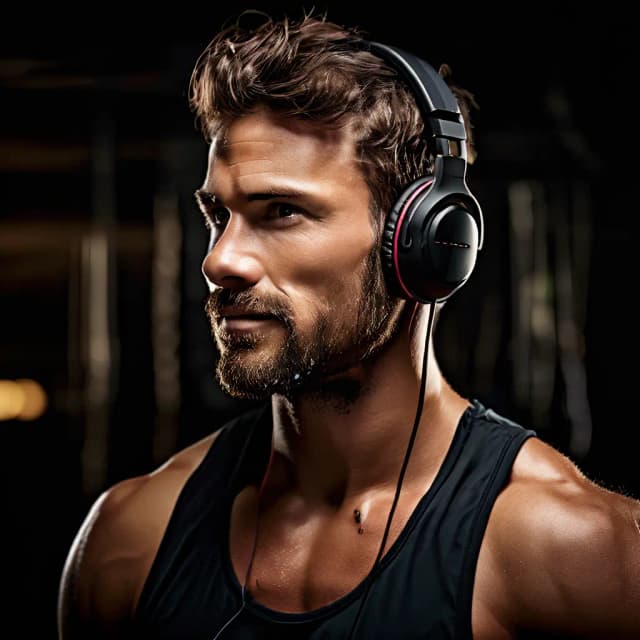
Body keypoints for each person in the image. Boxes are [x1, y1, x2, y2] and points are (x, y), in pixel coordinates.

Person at [57, 10, 640, 640]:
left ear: (423, 242)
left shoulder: (578, 553)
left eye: (282, 211)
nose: (219, 260)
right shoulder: (129, 541)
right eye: (217, 215)